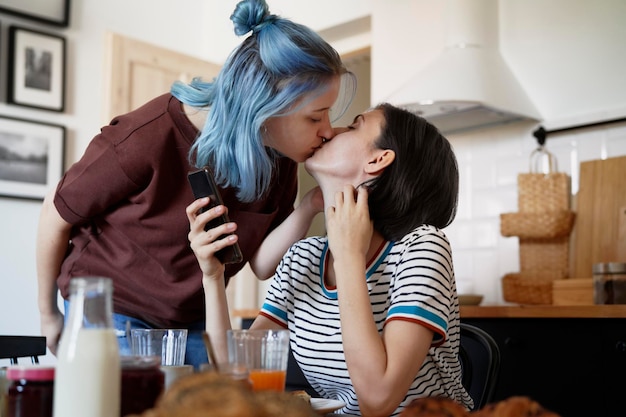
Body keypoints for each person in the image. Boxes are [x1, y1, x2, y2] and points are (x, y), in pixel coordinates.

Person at [35, 0, 356, 368]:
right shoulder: (146, 137)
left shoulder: (279, 154)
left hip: (194, 319)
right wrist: (48, 316)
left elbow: (262, 265)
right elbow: (55, 212)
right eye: (315, 117)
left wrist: (310, 206)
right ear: (264, 107)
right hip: (113, 312)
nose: (328, 130)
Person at [189, 103, 473, 416]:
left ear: (378, 159)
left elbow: (378, 401)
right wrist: (213, 277)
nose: (330, 131)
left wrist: (348, 256)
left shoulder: (422, 246)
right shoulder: (304, 256)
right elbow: (234, 373)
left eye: (353, 126)